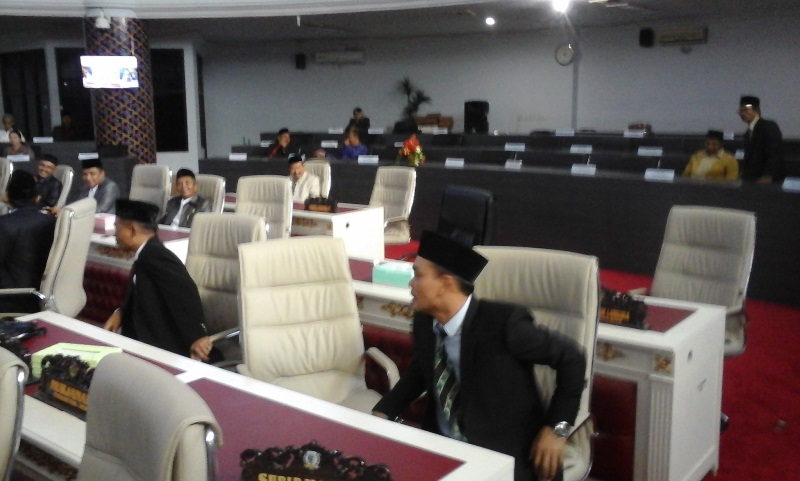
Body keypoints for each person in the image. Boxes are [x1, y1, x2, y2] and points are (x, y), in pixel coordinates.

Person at [373, 231, 586, 481]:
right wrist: (383, 413)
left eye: (418, 275)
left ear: (446, 283)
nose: (411, 283)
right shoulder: (424, 321)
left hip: (503, 457)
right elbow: (420, 371)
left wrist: (557, 429)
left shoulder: (504, 324)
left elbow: (572, 359)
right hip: (441, 450)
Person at [103, 199, 213, 361]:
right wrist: (121, 312)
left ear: (131, 230)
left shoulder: (157, 256)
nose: (115, 235)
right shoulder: (146, 254)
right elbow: (140, 293)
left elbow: (186, 292)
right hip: (139, 343)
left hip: (161, 351)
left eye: (117, 228)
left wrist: (197, 336)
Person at [0, 170, 56, 313]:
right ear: (37, 197)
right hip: (43, 297)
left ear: (7, 197)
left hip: (9, 299)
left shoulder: (5, 224)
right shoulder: (52, 221)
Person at [737, 95, 784, 183]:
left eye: (746, 110)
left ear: (757, 110)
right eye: (741, 110)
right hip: (750, 179)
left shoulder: (768, 126)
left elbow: (774, 152)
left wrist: (768, 175)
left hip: (766, 179)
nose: (742, 113)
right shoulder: (748, 133)